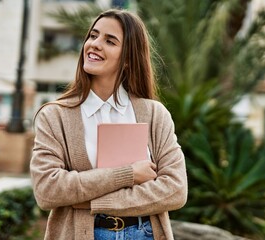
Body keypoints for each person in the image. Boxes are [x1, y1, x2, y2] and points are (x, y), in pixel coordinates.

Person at [30, 8, 188, 240]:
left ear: (128, 60)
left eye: (110, 41)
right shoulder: (54, 116)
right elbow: (48, 190)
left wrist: (91, 200)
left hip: (145, 233)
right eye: (93, 36)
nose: (94, 44)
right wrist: (128, 175)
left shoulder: (155, 115)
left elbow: (175, 190)